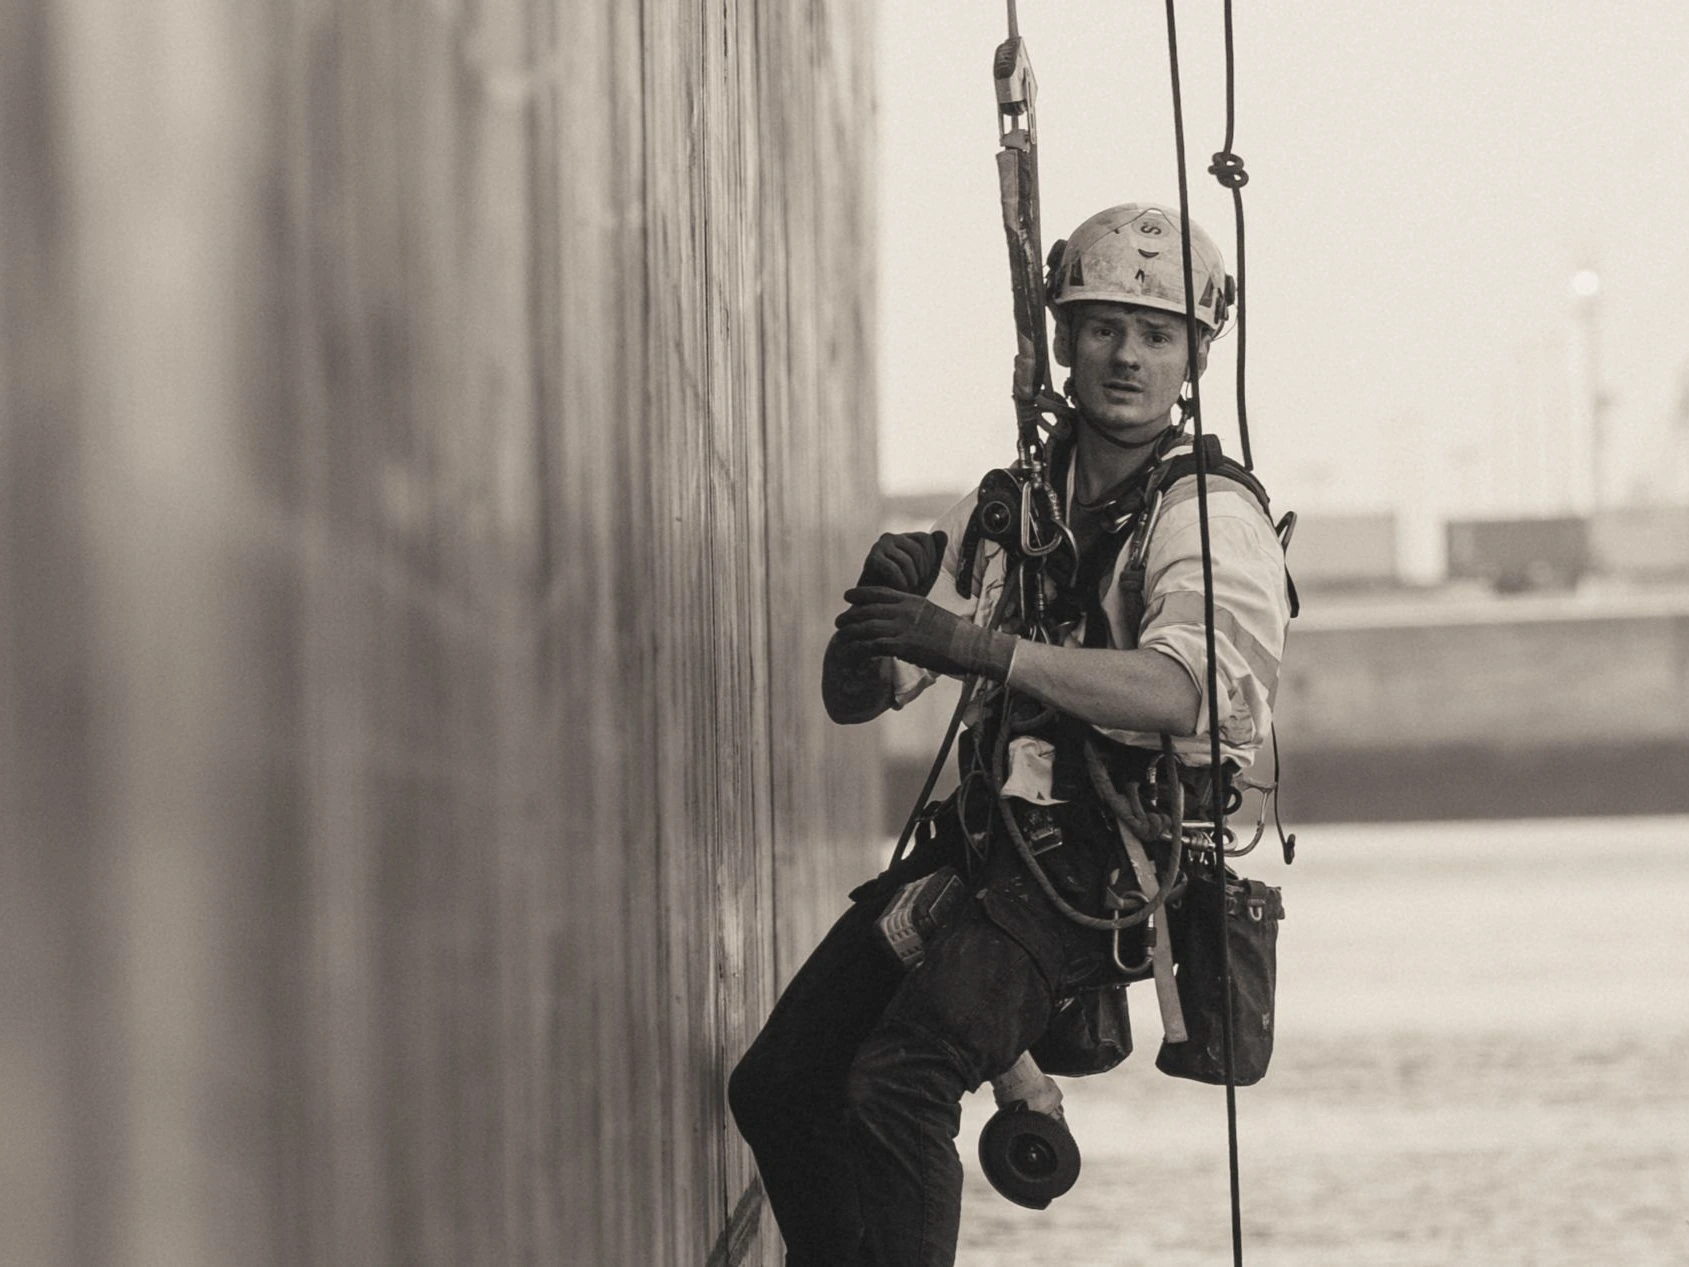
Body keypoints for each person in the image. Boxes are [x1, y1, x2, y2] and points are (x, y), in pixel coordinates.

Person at [728, 203, 1291, 1267]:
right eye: (1104, 327)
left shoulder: (1209, 517)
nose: (1127, 356)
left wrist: (975, 647)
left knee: (900, 1078)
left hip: (1099, 868)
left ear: (1194, 359)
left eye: (1157, 334)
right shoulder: (1008, 509)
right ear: (1062, 340)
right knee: (780, 1083)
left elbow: (1185, 691)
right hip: (983, 852)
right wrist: (876, 610)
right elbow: (860, 696)